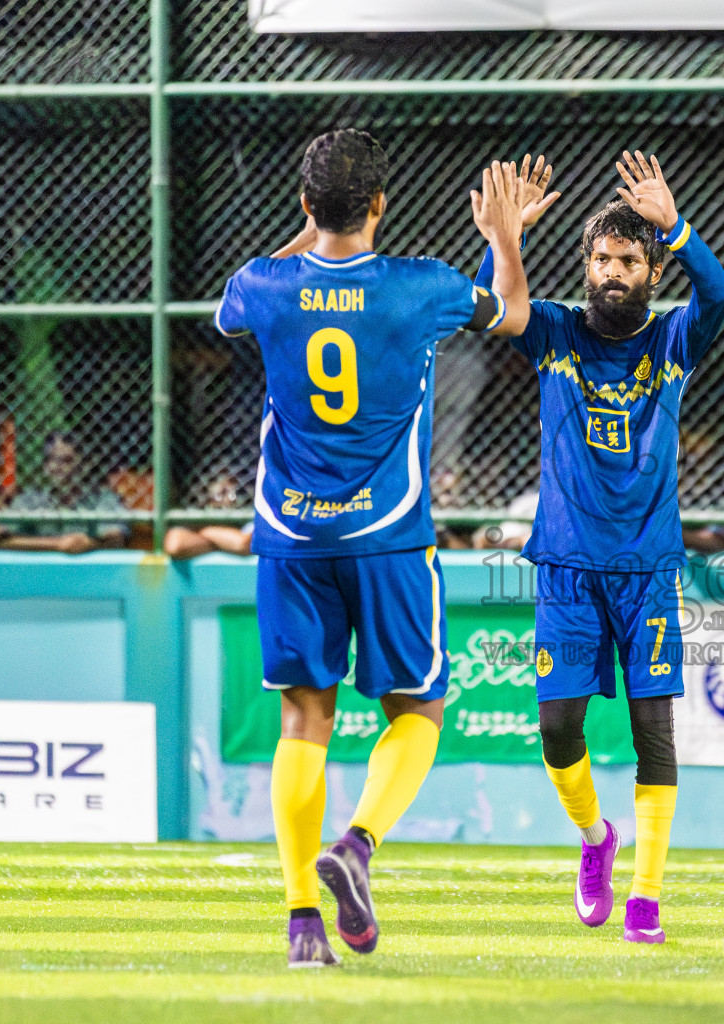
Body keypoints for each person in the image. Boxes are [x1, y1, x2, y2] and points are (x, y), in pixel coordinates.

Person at [214, 128, 529, 967]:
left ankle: (300, 924)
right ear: (383, 205)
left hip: (290, 531)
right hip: (387, 533)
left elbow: (235, 304)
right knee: (417, 708)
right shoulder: (422, 286)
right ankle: (356, 846)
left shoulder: (263, 285)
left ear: (306, 204)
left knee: (303, 716)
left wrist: (311, 237)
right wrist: (505, 240)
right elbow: (514, 314)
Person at [477, 151, 724, 944]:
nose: (612, 272)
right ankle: (595, 841)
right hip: (565, 567)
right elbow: (497, 307)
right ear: (584, 266)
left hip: (647, 569)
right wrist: (507, 239)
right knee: (558, 728)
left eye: (628, 260)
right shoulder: (553, 329)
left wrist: (677, 227)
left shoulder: (673, 343)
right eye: (600, 259)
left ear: (652, 272)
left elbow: (718, 293)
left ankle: (647, 897)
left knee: (655, 733)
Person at [0, 431, 128, 554]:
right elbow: (3, 538)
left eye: (67, 460)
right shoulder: (31, 499)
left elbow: (116, 537)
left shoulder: (100, 498)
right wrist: (58, 544)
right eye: (52, 459)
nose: (58, 466)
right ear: (45, 466)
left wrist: (90, 544)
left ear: (82, 466)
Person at [163, 470, 253, 558]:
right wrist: (223, 543)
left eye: (237, 491)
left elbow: (244, 543)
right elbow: (174, 545)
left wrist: (203, 533)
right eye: (223, 492)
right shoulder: (195, 515)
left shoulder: (247, 515)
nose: (232, 499)